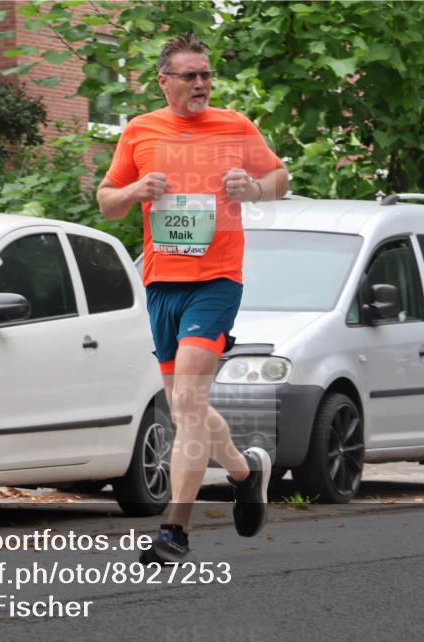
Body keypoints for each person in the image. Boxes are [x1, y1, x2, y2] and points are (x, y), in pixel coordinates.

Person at [97, 33, 289, 563]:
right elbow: (107, 202)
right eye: (190, 76)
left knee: (185, 402)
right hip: (162, 283)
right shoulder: (140, 132)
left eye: (206, 75)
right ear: (165, 81)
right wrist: (136, 192)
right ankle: (245, 473)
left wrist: (253, 189)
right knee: (189, 411)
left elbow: (279, 177)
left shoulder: (235, 125)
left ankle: (174, 530)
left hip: (217, 280)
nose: (202, 83)